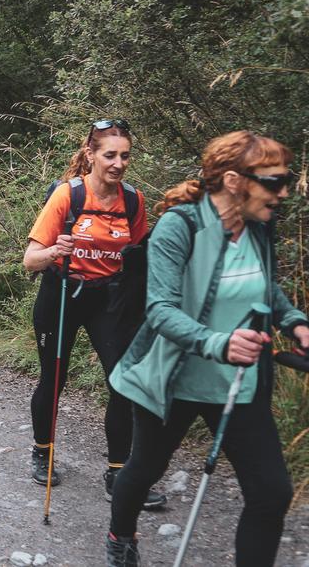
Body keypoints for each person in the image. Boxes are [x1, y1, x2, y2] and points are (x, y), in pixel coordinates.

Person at [104, 131, 309, 567]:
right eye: (275, 181)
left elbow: (265, 285)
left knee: (271, 493)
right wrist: (218, 342)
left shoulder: (259, 226)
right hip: (174, 379)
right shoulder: (181, 227)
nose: (284, 191)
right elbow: (160, 310)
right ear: (234, 180)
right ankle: (120, 535)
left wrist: (295, 322)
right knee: (143, 469)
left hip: (238, 383)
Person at [21, 119, 167, 512]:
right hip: (63, 293)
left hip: (110, 301)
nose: (119, 163)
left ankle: (118, 471)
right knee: (54, 376)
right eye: (110, 155)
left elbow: (139, 259)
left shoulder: (132, 201)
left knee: (121, 382)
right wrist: (55, 251)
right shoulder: (67, 195)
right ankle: (43, 452)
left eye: (125, 156)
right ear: (91, 156)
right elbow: (30, 260)